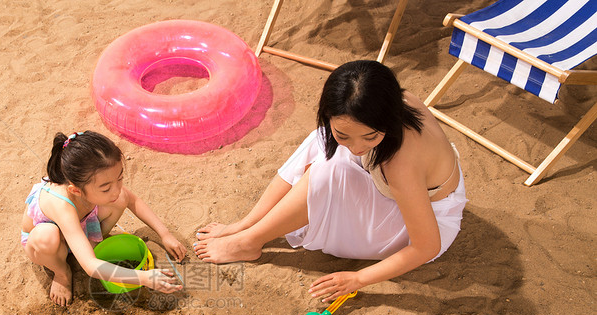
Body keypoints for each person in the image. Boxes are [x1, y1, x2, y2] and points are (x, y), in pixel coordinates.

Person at [193, 60, 467, 302]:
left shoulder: (400, 164)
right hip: (408, 192)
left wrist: (358, 279)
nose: (357, 147)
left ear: (388, 119)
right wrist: (349, 138)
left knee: (327, 174)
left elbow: (426, 246)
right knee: (322, 140)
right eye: (345, 135)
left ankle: (249, 242)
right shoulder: (394, 98)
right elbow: (347, 137)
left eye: (370, 137)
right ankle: (247, 225)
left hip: (427, 225)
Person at [22, 130, 186, 306]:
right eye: (106, 188)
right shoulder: (61, 205)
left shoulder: (93, 186)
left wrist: (165, 234)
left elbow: (132, 200)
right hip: (50, 245)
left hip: (80, 227)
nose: (115, 190)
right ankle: (61, 272)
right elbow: (90, 266)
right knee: (47, 236)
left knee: (122, 198)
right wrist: (144, 278)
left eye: (120, 178)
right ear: (75, 190)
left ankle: (91, 245)